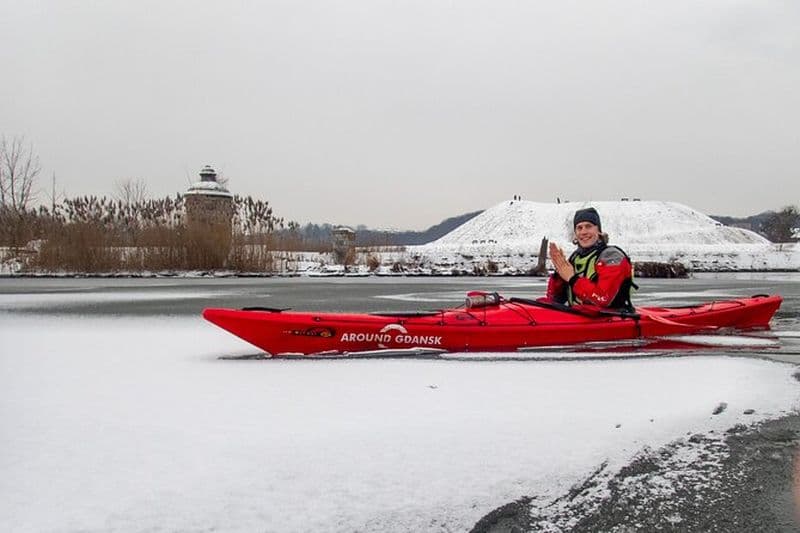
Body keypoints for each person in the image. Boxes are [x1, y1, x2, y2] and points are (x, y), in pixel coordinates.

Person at [546, 207, 636, 310]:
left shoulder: (612, 257)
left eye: (588, 226)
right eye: (579, 228)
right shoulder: (575, 257)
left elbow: (602, 299)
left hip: (609, 319)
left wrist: (572, 278)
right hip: (579, 317)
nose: (583, 232)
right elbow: (555, 299)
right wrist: (560, 275)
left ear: (599, 231)